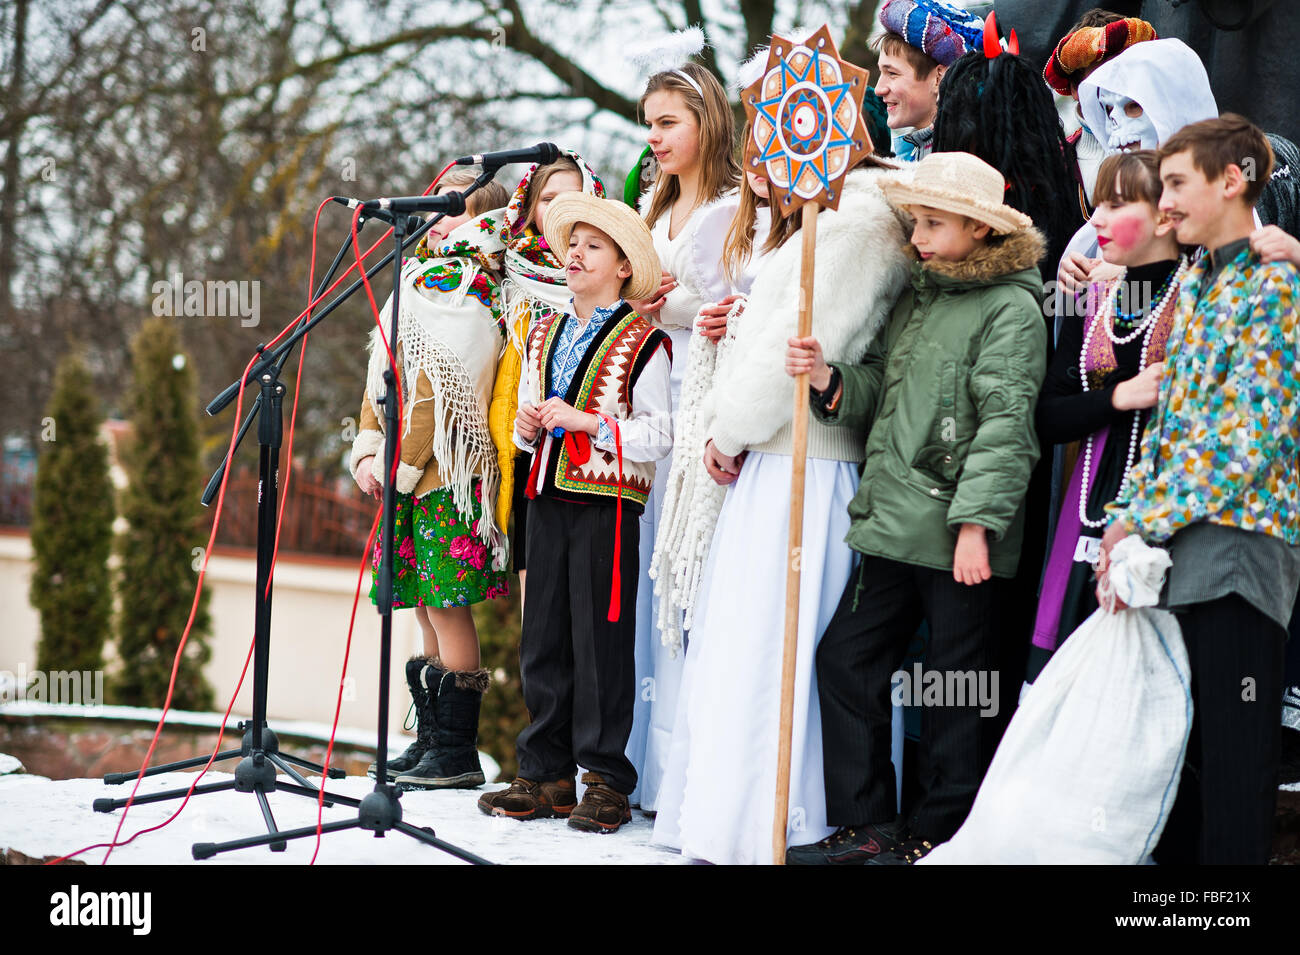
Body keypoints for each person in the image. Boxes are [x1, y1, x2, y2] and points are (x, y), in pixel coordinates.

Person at [785, 152, 1048, 864]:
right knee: (846, 660)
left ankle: (942, 834)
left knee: (955, 690)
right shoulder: (920, 294)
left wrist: (976, 527)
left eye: (933, 223)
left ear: (981, 228)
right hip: (893, 521)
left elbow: (1007, 427)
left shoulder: (1013, 309)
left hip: (960, 536)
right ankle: (870, 821)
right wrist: (832, 380)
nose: (918, 237)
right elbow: (885, 392)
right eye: (916, 221)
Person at [651, 154, 911, 865]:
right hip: (770, 452)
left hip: (806, 458)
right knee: (746, 637)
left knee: (773, 639)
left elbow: (790, 351)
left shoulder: (854, 223)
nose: (762, 170)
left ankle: (782, 817)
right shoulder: (817, 223)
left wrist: (727, 427)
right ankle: (732, 813)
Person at [1097, 115, 1300, 864]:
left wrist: (1137, 521)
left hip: (1241, 558)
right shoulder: (1201, 288)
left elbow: (1244, 445)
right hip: (1181, 554)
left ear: (1232, 179)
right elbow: (1176, 433)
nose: (1165, 202)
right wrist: (1122, 522)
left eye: (1177, 183)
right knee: (1179, 769)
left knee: (1236, 774)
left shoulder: (1274, 288)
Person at [476, 194, 673, 833]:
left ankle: (606, 778)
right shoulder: (542, 329)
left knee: (601, 640)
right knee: (544, 637)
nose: (576, 255)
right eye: (574, 244)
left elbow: (657, 433)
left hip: (607, 503)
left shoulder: (646, 341)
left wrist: (588, 422)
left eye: (593, 246)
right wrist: (531, 425)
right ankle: (544, 771)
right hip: (547, 496)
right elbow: (530, 414)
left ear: (623, 266)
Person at [349, 169, 511, 789]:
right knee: (418, 605)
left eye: (453, 210)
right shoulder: (413, 281)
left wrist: (405, 464)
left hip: (444, 475)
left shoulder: (473, 287)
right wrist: (368, 447)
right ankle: (429, 739)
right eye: (435, 208)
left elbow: (439, 389)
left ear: (484, 220)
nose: (437, 220)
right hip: (402, 474)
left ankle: (457, 750)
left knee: (446, 607)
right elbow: (383, 369)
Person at [623, 60, 740, 813]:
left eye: (668, 122)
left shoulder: (731, 205)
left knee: (687, 566)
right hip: (642, 387)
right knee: (644, 567)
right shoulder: (649, 200)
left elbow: (727, 301)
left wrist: (659, 305)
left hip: (698, 386)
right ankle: (642, 762)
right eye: (649, 123)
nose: (655, 137)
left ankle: (692, 771)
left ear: (706, 121)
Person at [1030, 150, 1187, 680]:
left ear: (1166, 216)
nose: (1095, 218)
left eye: (1116, 203)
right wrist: (1119, 396)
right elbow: (1047, 418)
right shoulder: (1090, 295)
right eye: (1097, 202)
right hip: (1086, 508)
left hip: (1167, 516)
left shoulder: (1198, 295)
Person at [487, 152, 605, 613]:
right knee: (534, 600)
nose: (557, 208)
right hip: (525, 445)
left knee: (583, 600)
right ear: (530, 207)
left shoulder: (615, 276)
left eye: (571, 198)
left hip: (590, 453)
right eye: (548, 199)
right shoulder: (507, 271)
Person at [1042, 11, 1158, 220]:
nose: (1115, 84)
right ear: (1076, 88)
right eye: (1102, 74)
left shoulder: (1171, 145)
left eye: (1125, 70)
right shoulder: (1051, 164)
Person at [874, 0, 985, 161]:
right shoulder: (903, 158)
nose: (878, 89)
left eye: (892, 73)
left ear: (939, 78)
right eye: (881, 72)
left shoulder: (966, 162)